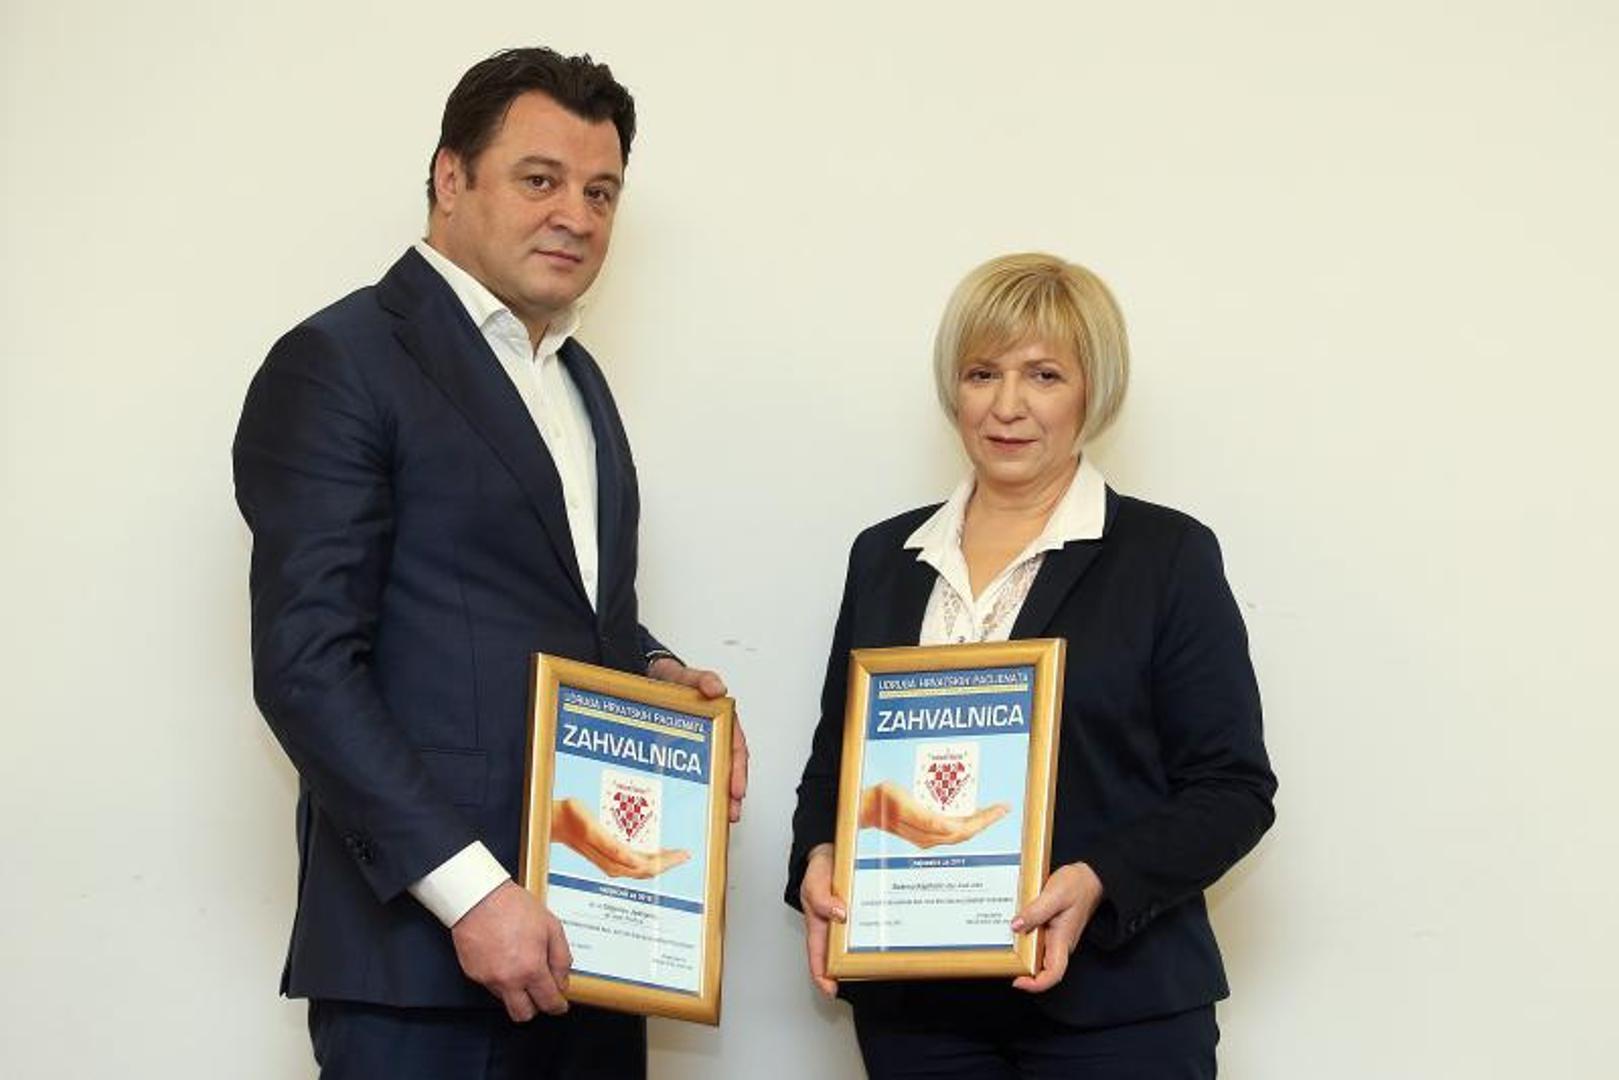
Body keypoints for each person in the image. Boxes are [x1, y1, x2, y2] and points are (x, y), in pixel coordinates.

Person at [233, 47, 747, 1079]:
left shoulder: (575, 378)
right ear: (450, 177)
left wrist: (651, 671)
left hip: (595, 948)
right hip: (420, 969)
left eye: (600, 192)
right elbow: (306, 668)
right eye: (539, 179)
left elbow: (560, 607)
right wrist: (470, 894)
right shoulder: (339, 362)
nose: (575, 216)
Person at [786, 253, 1276, 1078]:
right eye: (982, 373)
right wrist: (818, 858)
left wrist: (1097, 880)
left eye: (1043, 375)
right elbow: (832, 772)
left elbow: (1231, 790)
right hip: (920, 1021)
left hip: (1116, 1012)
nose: (1006, 405)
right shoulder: (884, 558)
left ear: (1092, 391)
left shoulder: (1165, 555)